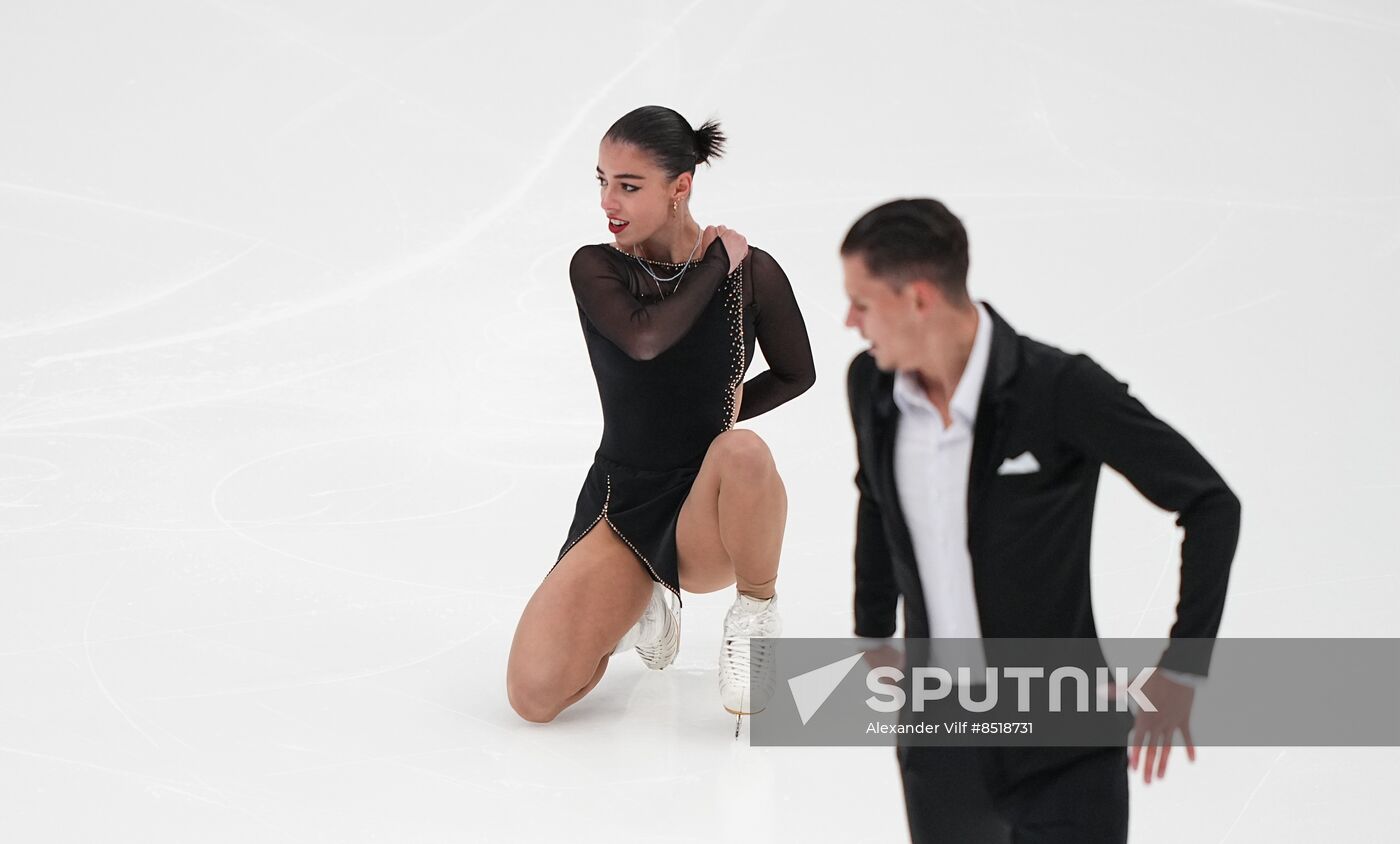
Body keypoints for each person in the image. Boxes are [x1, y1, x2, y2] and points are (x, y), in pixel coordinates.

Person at [841, 198, 1241, 842]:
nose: (850, 321)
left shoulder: (1056, 388)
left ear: (918, 299)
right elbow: (875, 497)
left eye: (861, 303)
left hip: (1064, 742)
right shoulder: (871, 385)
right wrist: (872, 630)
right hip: (940, 747)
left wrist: (1183, 666)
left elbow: (1210, 504)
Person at [507, 106, 815, 725]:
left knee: (742, 449)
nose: (607, 202)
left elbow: (796, 373)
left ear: (681, 187)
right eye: (602, 181)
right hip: (624, 499)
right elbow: (646, 339)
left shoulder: (753, 275)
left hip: (706, 508)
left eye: (628, 185)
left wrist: (728, 409)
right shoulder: (598, 267)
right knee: (534, 696)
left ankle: (755, 615)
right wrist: (712, 266)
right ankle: (645, 599)